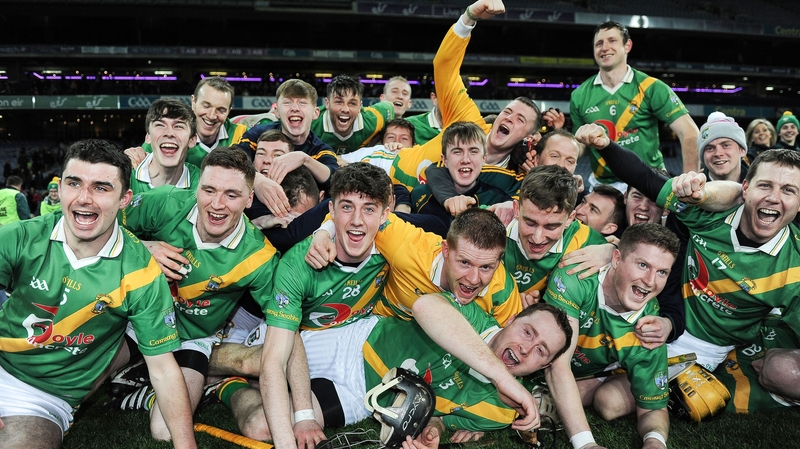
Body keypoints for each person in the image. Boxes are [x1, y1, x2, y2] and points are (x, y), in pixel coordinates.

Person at [576, 123, 800, 404]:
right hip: (657, 308)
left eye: (789, 190)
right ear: (746, 188)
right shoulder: (707, 213)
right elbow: (645, 178)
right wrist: (604, 144)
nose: (773, 197)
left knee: (610, 402)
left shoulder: (796, 266)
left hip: (705, 347)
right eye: (765, 185)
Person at [0, 139, 196, 448]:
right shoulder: (22, 236)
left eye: (101, 188)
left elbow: (163, 370)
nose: (84, 199)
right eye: (74, 183)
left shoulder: (140, 271)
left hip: (44, 398)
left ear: (125, 199)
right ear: (60, 187)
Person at [113, 147, 279, 437]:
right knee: (85, 376)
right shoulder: (167, 201)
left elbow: (284, 324)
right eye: (209, 190)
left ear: (249, 199)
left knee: (165, 430)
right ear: (197, 185)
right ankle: (140, 366)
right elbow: (103, 221)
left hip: (192, 338)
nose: (216, 204)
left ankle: (157, 388)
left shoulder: (260, 256)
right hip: (139, 317)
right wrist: (144, 248)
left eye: (231, 194)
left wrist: (302, 415)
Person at [545, 223, 679, 449]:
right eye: (643, 265)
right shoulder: (575, 278)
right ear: (616, 259)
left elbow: (654, 409)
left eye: (662, 272)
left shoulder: (651, 326)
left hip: (581, 370)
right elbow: (557, 364)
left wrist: (655, 442)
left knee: (609, 404)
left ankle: (605, 379)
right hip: (546, 360)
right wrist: (586, 444)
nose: (650, 281)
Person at [390, 0, 541, 192]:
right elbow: (444, 67)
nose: (509, 118)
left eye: (519, 119)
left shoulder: (516, 177)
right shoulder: (467, 119)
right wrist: (469, 17)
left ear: (529, 137)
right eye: (508, 111)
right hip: (390, 172)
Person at [569, 20, 699, 191]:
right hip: (602, 186)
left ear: (627, 45)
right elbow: (579, 145)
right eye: (599, 43)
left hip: (649, 180)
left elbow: (689, 132)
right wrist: (562, 149)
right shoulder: (579, 95)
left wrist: (689, 183)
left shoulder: (651, 87)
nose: (605, 47)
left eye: (612, 40)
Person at [236, 79, 339, 218]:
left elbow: (335, 178)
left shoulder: (319, 149)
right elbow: (232, 158)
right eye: (287, 102)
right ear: (277, 112)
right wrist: (257, 180)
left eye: (302, 102)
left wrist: (304, 159)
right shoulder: (257, 135)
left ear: (315, 113)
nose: (295, 108)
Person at [504, 165, 607, 298]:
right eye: (530, 223)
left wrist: (611, 251)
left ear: (570, 219)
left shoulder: (584, 239)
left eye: (551, 227)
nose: (537, 238)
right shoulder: (490, 222)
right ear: (516, 209)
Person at [410, 122, 522, 223]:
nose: (465, 160)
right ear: (444, 160)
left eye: (473, 152)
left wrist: (512, 205)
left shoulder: (499, 192)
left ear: (484, 158)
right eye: (457, 152)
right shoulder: (421, 195)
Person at [135, 77, 246, 168]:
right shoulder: (170, 136)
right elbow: (137, 160)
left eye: (221, 110)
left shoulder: (242, 135)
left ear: (229, 111)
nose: (212, 116)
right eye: (206, 106)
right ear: (193, 102)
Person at [130, 98, 201, 195]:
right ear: (148, 137)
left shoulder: (202, 184)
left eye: (179, 126)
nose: (169, 133)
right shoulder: (124, 176)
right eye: (160, 125)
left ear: (192, 140)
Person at [310, 74, 395, 154]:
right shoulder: (311, 122)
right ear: (327, 103)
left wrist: (383, 138)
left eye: (352, 103)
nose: (345, 109)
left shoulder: (373, 119)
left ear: (360, 106)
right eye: (339, 102)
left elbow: (389, 107)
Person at [339, 118, 416, 174]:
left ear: (414, 145)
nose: (397, 141)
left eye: (404, 138)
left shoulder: (418, 158)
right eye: (391, 137)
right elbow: (337, 159)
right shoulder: (369, 152)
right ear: (382, 142)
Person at [698, 112, 748, 183]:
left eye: (726, 145)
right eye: (710, 148)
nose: (718, 153)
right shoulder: (690, 191)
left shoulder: (762, 186)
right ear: (702, 156)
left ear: (742, 150)